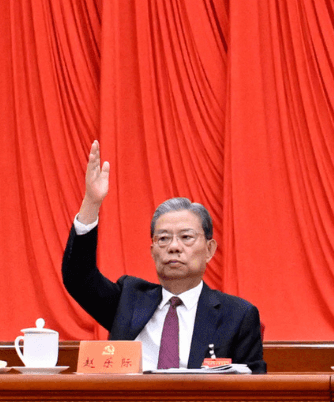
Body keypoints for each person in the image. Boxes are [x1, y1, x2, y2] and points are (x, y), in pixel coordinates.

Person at [61, 141, 266, 373]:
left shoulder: (237, 315)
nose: (174, 247)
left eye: (186, 237)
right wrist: (91, 203)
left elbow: (255, 386)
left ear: (209, 249)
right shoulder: (128, 301)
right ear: (153, 251)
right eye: (164, 238)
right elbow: (79, 277)